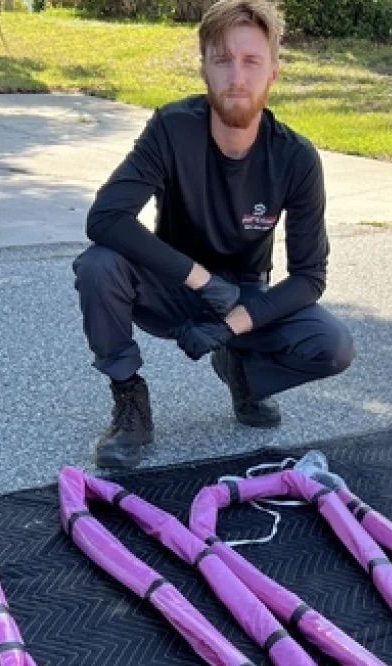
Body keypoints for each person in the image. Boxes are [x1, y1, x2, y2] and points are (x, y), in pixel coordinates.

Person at [73, 0, 355, 469]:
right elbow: (105, 218)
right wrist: (200, 279)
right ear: (204, 68)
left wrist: (229, 325)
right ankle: (130, 403)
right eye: (222, 60)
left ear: (273, 73)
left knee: (333, 345)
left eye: (251, 62)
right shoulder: (170, 128)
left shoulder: (296, 158)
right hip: (171, 285)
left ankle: (243, 372)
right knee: (99, 265)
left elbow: (309, 277)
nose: (237, 77)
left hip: (242, 298)